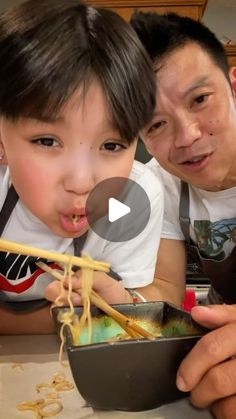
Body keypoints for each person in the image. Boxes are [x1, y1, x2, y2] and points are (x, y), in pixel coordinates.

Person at [0, 0, 164, 335]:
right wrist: (52, 319)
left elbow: (139, 313)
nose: (81, 183)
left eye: (112, 146)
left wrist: (120, 302)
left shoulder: (132, 199)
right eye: (47, 141)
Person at [131, 11, 236, 419]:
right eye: (157, 124)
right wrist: (120, 299)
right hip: (217, 343)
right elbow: (166, 293)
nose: (188, 136)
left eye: (200, 100)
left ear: (232, 86)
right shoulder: (159, 184)